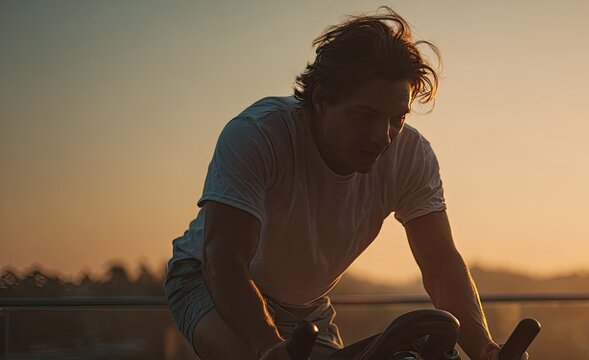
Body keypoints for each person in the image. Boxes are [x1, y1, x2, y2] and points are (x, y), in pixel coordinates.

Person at [163, 7, 517, 360]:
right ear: (320, 99)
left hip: (306, 307)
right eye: (366, 116)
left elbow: (440, 265)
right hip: (208, 280)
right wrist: (268, 347)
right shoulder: (258, 135)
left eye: (397, 118)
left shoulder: (412, 156)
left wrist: (484, 349)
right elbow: (224, 259)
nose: (383, 137)